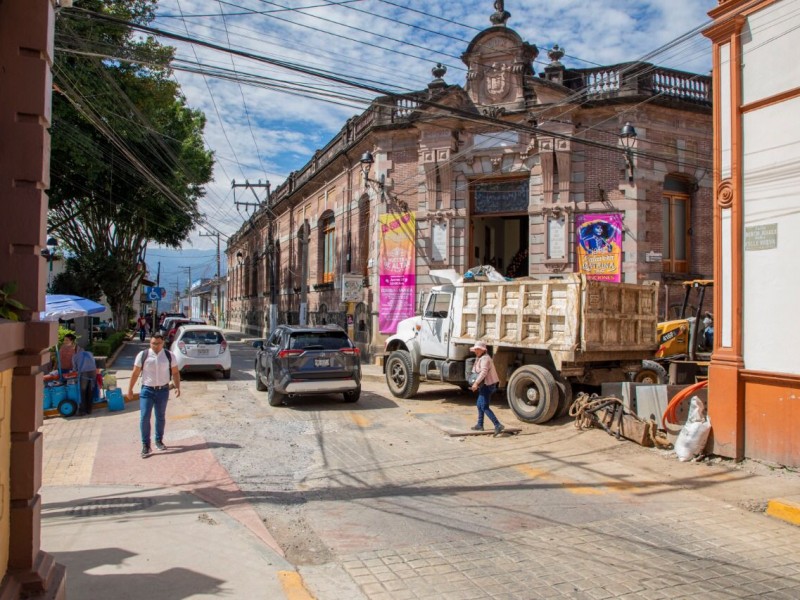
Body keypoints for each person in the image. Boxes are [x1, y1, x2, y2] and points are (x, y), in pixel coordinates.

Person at [126, 332, 181, 458]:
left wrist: (177, 387)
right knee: (144, 417)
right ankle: (146, 445)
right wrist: (130, 389)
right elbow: (135, 373)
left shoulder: (169, 355)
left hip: (163, 390)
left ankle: (158, 440)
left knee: (160, 417)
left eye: (158, 343)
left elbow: (175, 373)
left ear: (163, 343)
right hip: (147, 391)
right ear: (150, 343)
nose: (155, 346)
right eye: (153, 343)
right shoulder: (143, 355)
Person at [468, 341, 505, 435]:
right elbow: (476, 370)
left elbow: (483, 372)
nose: (476, 350)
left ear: (482, 350)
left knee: (484, 406)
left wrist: (476, 383)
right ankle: (480, 425)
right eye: (475, 349)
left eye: (478, 349)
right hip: (484, 385)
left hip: (487, 385)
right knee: (479, 404)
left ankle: (497, 425)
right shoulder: (480, 357)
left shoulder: (485, 359)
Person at [72, 344, 97, 416]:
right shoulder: (90, 353)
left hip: (84, 374)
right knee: (90, 391)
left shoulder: (75, 356)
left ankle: (82, 410)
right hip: (93, 373)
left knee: (82, 392)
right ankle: (89, 410)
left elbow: (74, 368)